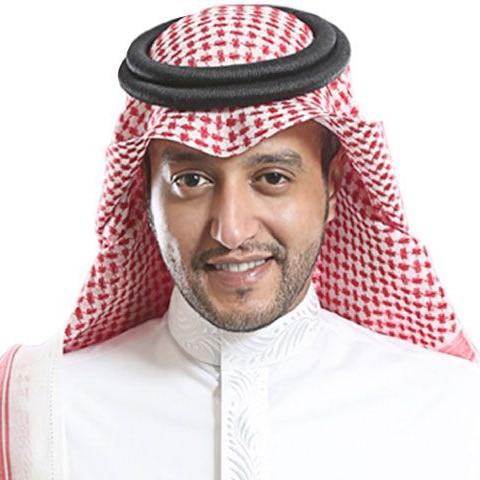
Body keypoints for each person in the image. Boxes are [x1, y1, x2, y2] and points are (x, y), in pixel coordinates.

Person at [1, 4, 479, 479]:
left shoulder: (453, 411)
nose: (231, 231)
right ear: (145, 194)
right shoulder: (36, 410)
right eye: (191, 180)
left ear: (333, 185)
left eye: (272, 177)